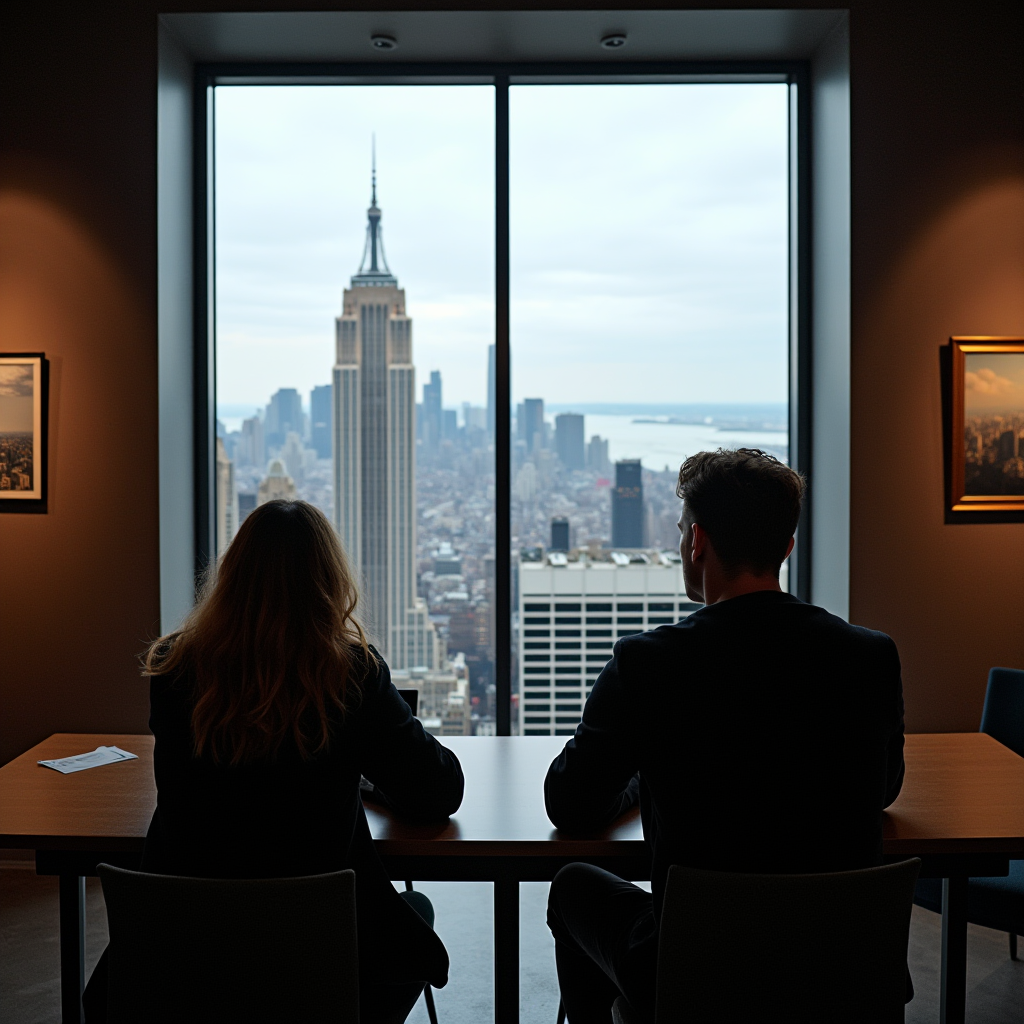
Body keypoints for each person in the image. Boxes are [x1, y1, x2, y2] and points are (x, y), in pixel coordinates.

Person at [544, 448, 906, 1023]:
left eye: (684, 529)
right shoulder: (870, 655)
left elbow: (570, 802)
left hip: (693, 972)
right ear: (786, 548)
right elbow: (882, 787)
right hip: (839, 974)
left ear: (697, 543)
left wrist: (641, 775)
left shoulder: (648, 663)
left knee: (573, 887)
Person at [83, 499, 464, 1024]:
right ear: (329, 581)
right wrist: (363, 768)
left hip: (184, 955)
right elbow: (439, 793)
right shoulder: (351, 673)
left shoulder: (175, 667)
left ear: (232, 575)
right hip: (317, 961)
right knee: (413, 920)